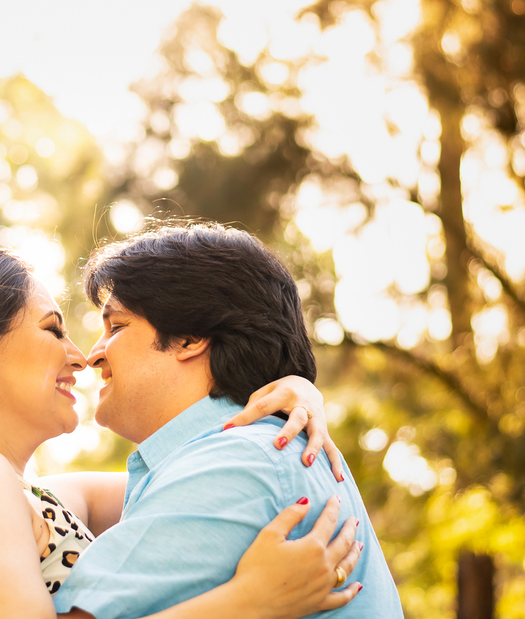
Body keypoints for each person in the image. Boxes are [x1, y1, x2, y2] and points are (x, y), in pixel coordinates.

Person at [0, 240, 363, 619]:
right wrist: (248, 602)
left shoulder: (24, 496)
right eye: (53, 329)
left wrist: (288, 387)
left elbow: (188, 472)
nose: (81, 354)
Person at [52, 222, 404, 619]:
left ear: (189, 336)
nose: (93, 354)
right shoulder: (256, 451)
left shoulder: (232, 465)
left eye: (116, 326)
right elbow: (63, 496)